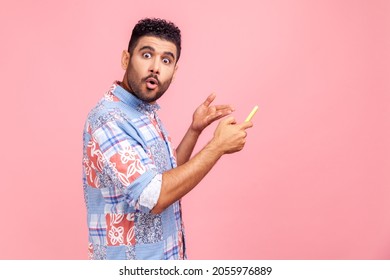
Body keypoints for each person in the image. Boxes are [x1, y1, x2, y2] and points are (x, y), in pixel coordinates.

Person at [82, 18, 253, 260]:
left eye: (166, 60)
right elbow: (155, 197)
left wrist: (195, 131)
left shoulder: (143, 111)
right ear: (126, 59)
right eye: (146, 55)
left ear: (174, 71)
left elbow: (164, 177)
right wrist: (217, 147)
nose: (155, 67)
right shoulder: (109, 119)